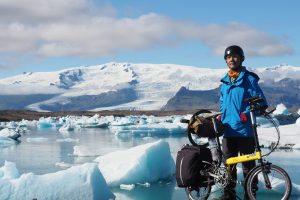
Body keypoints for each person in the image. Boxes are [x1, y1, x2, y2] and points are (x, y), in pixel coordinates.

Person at [218, 45, 268, 199]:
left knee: (248, 167)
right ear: (226, 60)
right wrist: (221, 115)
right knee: (228, 166)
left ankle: (250, 195)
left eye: (235, 56)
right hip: (228, 131)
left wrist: (246, 113)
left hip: (245, 131)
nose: (231, 59)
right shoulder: (224, 82)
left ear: (241, 58)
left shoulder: (249, 79)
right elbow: (222, 104)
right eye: (228, 57)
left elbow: (261, 102)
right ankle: (228, 195)